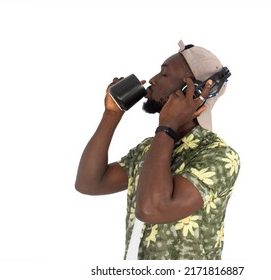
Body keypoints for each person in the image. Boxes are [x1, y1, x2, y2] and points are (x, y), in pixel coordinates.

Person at [75, 40, 240, 260]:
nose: (152, 79)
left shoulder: (219, 156)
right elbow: (89, 183)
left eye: (164, 74)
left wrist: (168, 125)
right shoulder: (150, 148)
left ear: (193, 90)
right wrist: (112, 114)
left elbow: (153, 210)